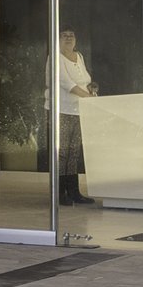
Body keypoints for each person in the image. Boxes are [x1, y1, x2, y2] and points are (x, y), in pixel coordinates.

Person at [56, 23, 97, 207]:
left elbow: (85, 79)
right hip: (62, 111)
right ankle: (59, 192)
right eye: (64, 35)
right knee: (62, 152)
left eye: (71, 35)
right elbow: (66, 84)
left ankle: (74, 192)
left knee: (74, 153)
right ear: (58, 39)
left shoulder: (78, 56)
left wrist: (91, 89)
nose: (68, 38)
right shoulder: (56, 58)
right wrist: (88, 97)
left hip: (79, 110)